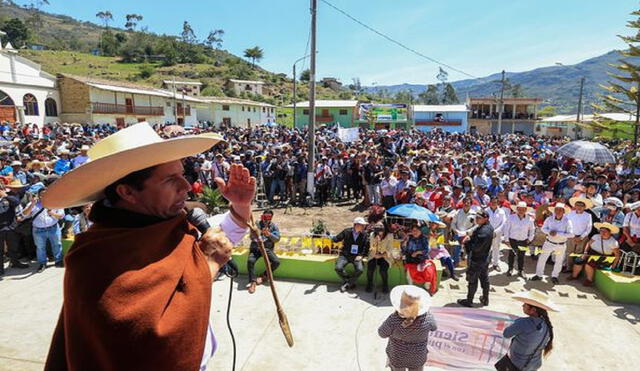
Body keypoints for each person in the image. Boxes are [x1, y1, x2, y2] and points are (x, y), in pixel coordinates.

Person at [42, 123, 255, 370]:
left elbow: (223, 237)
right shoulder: (95, 258)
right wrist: (208, 265)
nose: (186, 186)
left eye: (182, 174)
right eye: (170, 180)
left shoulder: (172, 225)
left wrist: (240, 206)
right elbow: (147, 342)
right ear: (127, 192)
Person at [378, 285, 437, 371]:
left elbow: (382, 333)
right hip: (418, 357)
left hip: (397, 357)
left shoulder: (393, 320)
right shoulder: (428, 318)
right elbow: (434, 327)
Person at [498, 289, 557, 371]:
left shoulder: (523, 323)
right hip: (535, 364)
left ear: (533, 310)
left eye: (525, 304)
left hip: (517, 364)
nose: (522, 306)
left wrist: (516, 322)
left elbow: (506, 334)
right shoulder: (547, 325)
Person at [22, 187, 65, 273]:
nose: (43, 196)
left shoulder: (56, 203)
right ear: (38, 195)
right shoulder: (33, 204)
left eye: (45, 194)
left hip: (53, 228)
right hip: (38, 230)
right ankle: (42, 263)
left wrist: (52, 213)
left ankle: (58, 261)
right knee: (40, 247)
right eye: (41, 195)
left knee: (57, 244)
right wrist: (32, 204)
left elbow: (61, 216)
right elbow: (24, 214)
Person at [457, 209, 494, 307]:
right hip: (484, 258)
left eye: (479, 218)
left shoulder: (484, 232)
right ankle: (485, 299)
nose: (476, 219)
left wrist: (467, 244)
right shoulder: (487, 227)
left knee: (473, 280)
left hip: (477, 259)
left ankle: (469, 301)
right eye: (476, 217)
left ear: (486, 219)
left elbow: (476, 247)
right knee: (484, 278)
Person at [532, 203, 573, 285]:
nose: (558, 211)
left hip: (560, 244)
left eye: (561, 210)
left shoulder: (567, 221)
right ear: (554, 210)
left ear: (564, 211)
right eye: (557, 209)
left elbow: (571, 234)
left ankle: (555, 276)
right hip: (549, 242)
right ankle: (538, 274)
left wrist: (557, 234)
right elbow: (543, 228)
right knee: (542, 258)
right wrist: (549, 232)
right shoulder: (549, 219)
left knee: (558, 261)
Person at [247, 209, 281, 294]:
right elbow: (251, 236)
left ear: (271, 218)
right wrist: (257, 236)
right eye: (265, 216)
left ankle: (264, 276)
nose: (266, 219)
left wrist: (269, 234)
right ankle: (253, 282)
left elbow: (277, 239)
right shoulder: (257, 224)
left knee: (276, 262)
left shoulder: (274, 226)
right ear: (262, 216)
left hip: (267, 249)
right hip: (256, 248)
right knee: (250, 261)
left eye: (268, 217)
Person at [0, 183, 30, 275]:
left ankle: (15, 262)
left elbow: (16, 202)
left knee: (13, 247)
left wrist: (5, 196)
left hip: (10, 227)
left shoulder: (9, 196)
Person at [333, 217, 369, 292]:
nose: (364, 226)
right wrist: (331, 237)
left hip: (357, 256)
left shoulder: (364, 234)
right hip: (345, 255)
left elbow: (366, 247)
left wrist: (361, 256)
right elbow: (337, 239)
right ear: (356, 225)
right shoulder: (346, 231)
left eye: (363, 225)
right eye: (362, 225)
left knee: (360, 269)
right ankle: (349, 281)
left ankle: (347, 283)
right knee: (338, 268)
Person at [503, 202, 536, 278]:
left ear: (525, 210)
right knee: (511, 255)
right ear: (517, 209)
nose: (521, 211)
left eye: (523, 209)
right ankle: (510, 269)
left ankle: (521, 270)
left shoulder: (530, 219)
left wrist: (530, 239)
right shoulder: (511, 217)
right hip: (512, 239)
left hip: (523, 240)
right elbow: (506, 229)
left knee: (521, 256)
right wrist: (506, 239)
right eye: (519, 209)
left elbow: (532, 230)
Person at [402, 223, 437, 294]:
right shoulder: (409, 238)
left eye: (416, 230)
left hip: (422, 259)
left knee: (429, 272)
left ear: (420, 231)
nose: (414, 232)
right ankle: (410, 288)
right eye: (413, 230)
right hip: (411, 260)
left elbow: (427, 250)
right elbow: (405, 251)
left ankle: (426, 288)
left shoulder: (424, 238)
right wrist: (404, 244)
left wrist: (418, 252)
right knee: (409, 273)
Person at [564, 197, 593, 272]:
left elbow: (589, 228)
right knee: (569, 252)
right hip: (571, 237)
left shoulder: (588, 215)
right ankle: (569, 268)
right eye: (578, 205)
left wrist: (581, 237)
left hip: (582, 238)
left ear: (584, 207)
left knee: (579, 254)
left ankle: (577, 270)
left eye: (581, 205)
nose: (579, 207)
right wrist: (573, 236)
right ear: (575, 206)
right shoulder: (569, 214)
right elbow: (566, 225)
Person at [367, 222, 393, 293]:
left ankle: (385, 284)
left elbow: (390, 249)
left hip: (385, 255)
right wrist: (376, 242)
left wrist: (381, 255)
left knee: (383, 270)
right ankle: (370, 283)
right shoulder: (372, 234)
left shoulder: (389, 235)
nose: (379, 231)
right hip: (374, 254)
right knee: (370, 267)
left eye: (381, 227)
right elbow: (371, 247)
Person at [486, 197, 507, 271]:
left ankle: (495, 264)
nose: (493, 204)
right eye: (492, 202)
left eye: (495, 202)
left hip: (497, 234)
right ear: (490, 202)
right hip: (487, 233)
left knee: (496, 248)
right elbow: (483, 221)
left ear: (497, 203)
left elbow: (503, 223)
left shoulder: (502, 211)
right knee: (486, 248)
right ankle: (486, 264)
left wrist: (496, 231)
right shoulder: (486, 211)